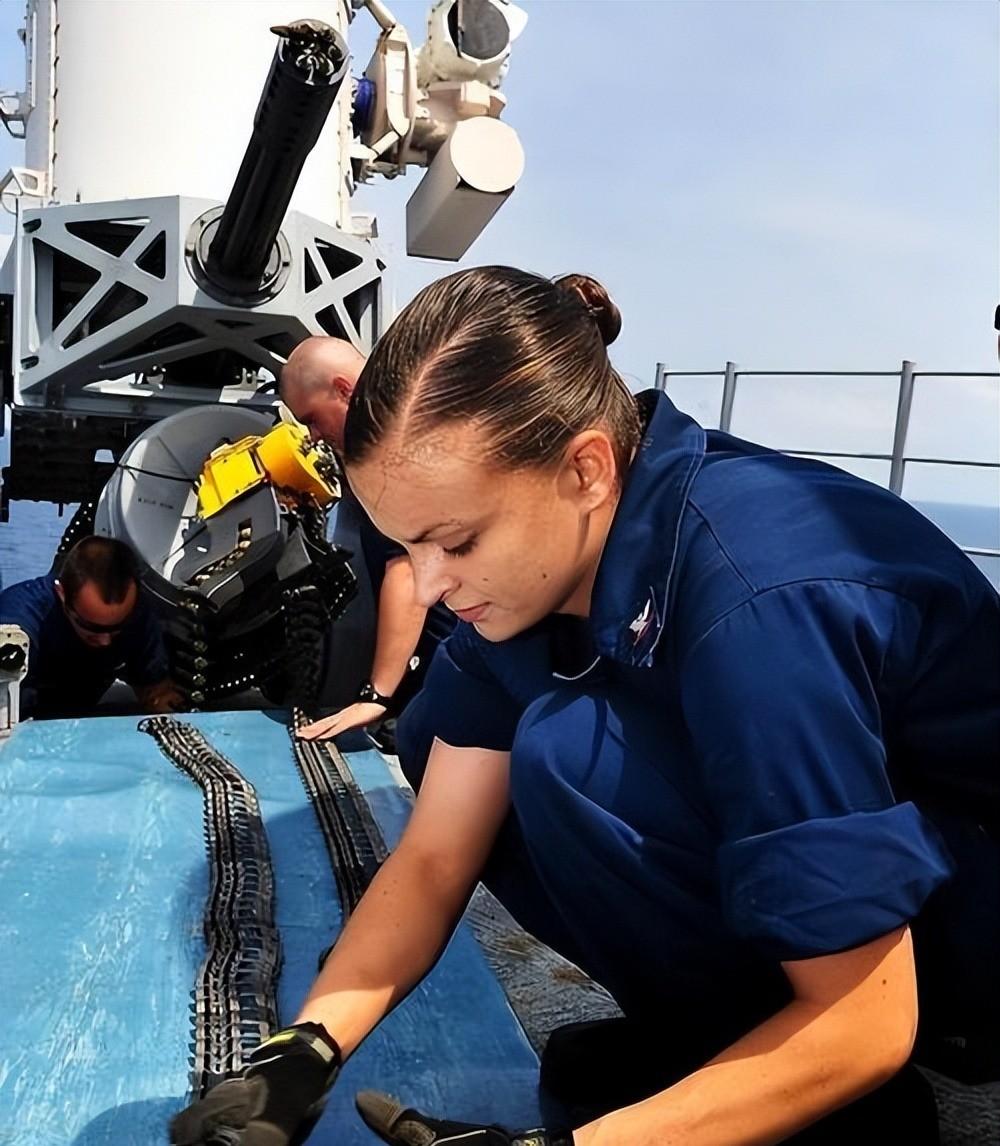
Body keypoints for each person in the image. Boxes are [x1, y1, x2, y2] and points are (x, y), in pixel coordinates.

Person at [172, 268, 1000, 1146]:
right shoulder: (531, 582)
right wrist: (305, 1048)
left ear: (587, 470)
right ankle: (722, 1054)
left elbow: (866, 1021)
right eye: (410, 545)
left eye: (455, 540)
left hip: (960, 929)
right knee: (476, 747)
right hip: (853, 882)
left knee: (577, 758)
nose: (434, 583)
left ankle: (821, 1101)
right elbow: (436, 854)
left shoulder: (757, 599)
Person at [280, 335, 453, 737]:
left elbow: (408, 569)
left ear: (343, 389)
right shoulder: (410, 416)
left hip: (448, 668)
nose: (315, 436)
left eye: (311, 419)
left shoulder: (390, 447)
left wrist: (375, 696)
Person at [0, 535, 181, 719]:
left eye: (117, 627)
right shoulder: (17, 624)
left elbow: (155, 692)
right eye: (92, 628)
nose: (105, 641)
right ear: (62, 594)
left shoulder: (138, 615)